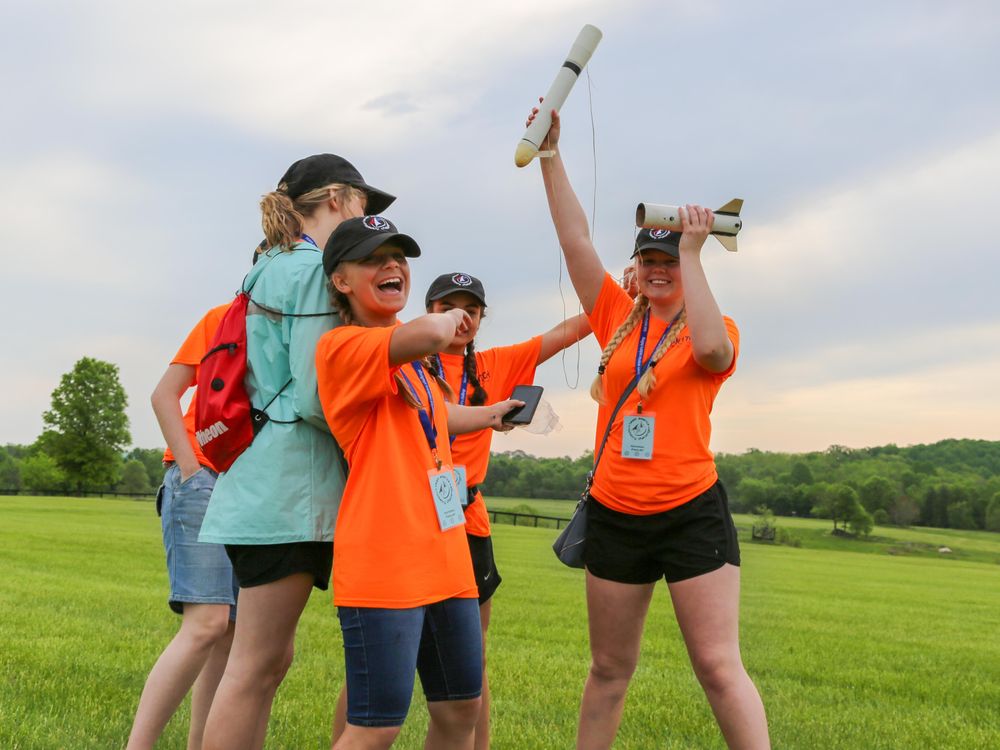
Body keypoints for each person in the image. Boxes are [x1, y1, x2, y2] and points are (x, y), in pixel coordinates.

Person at [529, 106, 770, 749]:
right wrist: (551, 157)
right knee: (609, 668)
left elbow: (716, 355)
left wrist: (694, 249)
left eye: (671, 259)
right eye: (650, 259)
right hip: (615, 512)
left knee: (718, 667)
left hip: (690, 511)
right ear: (636, 266)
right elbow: (576, 240)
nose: (660, 269)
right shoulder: (616, 317)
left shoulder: (709, 330)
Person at [198, 154, 396, 750]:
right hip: (290, 489)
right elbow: (317, 393)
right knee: (255, 667)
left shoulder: (268, 263)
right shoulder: (311, 268)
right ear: (335, 199)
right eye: (362, 204)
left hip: (262, 483)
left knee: (264, 663)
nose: (365, 219)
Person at [315, 217, 522, 749]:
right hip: (386, 559)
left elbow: (434, 417)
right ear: (341, 281)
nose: (392, 267)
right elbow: (433, 331)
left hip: (447, 556)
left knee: (460, 711)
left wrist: (493, 413)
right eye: (373, 259)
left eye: (399, 258)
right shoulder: (345, 347)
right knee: (377, 725)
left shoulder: (409, 362)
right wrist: (460, 312)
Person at [423, 272, 591, 749]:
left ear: (481, 318)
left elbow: (568, 333)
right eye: (449, 307)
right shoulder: (405, 360)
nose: (462, 317)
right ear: (429, 311)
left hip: (466, 518)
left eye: (471, 309)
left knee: (471, 659)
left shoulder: (496, 364)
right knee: (379, 657)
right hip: (407, 515)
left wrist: (625, 293)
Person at [127, 302, 238, 750]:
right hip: (204, 477)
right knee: (207, 622)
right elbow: (162, 395)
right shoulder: (224, 318)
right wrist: (192, 469)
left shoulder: (307, 324)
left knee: (231, 635)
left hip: (253, 490)